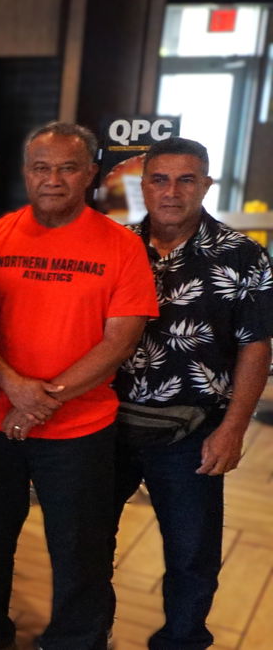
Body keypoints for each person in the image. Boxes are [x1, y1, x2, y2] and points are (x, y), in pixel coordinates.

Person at [0, 122, 156, 650]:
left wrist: (43, 400)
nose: (53, 179)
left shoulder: (122, 246)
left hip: (80, 430)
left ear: (90, 174)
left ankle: (76, 639)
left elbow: (122, 338)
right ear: (25, 173)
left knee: (80, 548)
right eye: (41, 168)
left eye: (67, 168)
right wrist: (15, 388)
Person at [109, 137, 271, 650]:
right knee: (87, 545)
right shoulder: (114, 247)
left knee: (192, 555)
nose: (172, 191)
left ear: (206, 184)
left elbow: (256, 350)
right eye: (160, 179)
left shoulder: (244, 256)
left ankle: (182, 641)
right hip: (106, 425)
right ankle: (87, 635)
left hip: (194, 432)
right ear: (143, 185)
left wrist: (232, 431)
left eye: (186, 180)